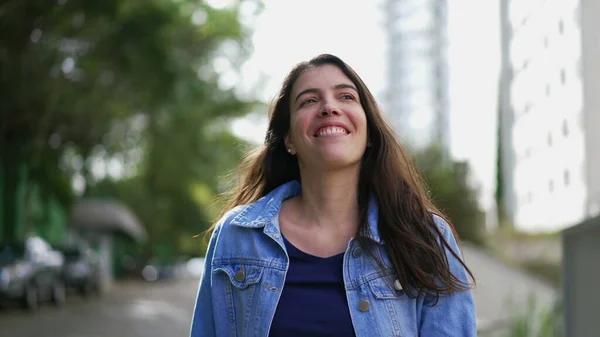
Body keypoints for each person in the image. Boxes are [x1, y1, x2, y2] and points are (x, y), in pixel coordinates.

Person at [190, 54, 476, 337]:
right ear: (289, 138)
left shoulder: (425, 237)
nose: (329, 107)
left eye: (346, 97)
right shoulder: (237, 235)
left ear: (369, 133)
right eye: (309, 100)